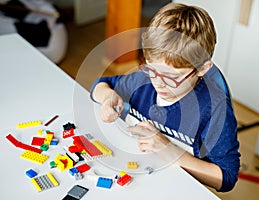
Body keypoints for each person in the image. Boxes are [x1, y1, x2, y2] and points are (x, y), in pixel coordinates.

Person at [90, 3, 240, 192]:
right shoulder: (144, 80)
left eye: (172, 77)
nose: (158, 83)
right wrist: (108, 97)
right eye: (152, 69)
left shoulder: (215, 108)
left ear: (201, 69)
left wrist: (170, 151)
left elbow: (226, 177)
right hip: (137, 180)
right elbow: (100, 85)